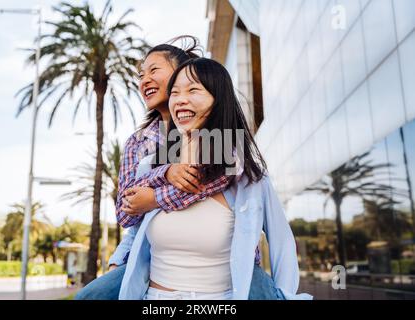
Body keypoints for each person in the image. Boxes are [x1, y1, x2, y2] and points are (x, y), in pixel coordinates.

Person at [75, 38, 288, 300]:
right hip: (151, 255)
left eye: (154, 70)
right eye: (141, 74)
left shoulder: (220, 143)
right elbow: (128, 211)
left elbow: (211, 177)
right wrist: (166, 173)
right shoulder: (140, 142)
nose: (145, 80)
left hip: (226, 266)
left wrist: (153, 197)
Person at [117, 58, 313, 300]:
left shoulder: (247, 178)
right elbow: (126, 213)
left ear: (218, 99)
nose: (180, 99)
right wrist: (165, 174)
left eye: (193, 90)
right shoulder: (150, 166)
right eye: (175, 92)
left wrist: (284, 295)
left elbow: (282, 244)